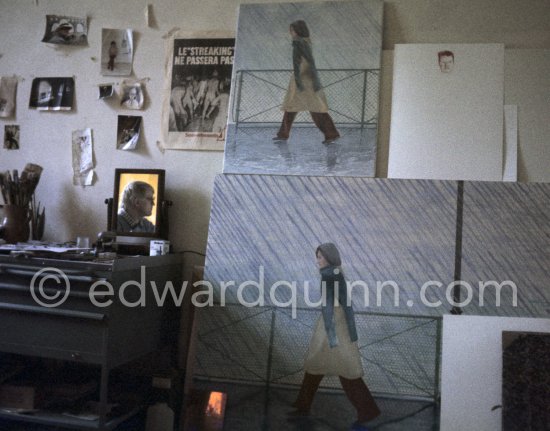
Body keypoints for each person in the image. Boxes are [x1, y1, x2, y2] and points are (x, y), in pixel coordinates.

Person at [290, 243, 380, 430]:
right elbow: (344, 306)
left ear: (330, 258)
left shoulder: (330, 276)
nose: (317, 261)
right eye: (317, 257)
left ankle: (367, 410)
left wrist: (330, 336)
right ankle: (303, 406)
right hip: (336, 329)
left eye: (320, 257)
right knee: (323, 368)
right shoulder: (336, 274)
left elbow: (331, 306)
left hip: (332, 331)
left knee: (340, 371)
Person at [274, 20, 340, 144]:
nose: (291, 33)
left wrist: (302, 81)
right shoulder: (304, 42)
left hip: (303, 81)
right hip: (304, 80)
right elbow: (308, 63)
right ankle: (331, 134)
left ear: (298, 31)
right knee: (308, 108)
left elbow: (309, 63)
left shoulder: (299, 43)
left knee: (309, 109)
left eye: (292, 30)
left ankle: (331, 134)